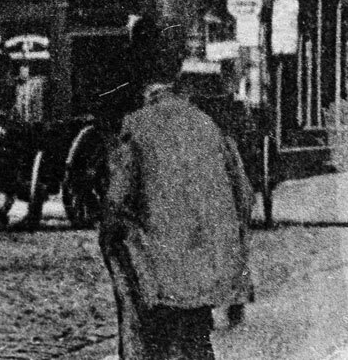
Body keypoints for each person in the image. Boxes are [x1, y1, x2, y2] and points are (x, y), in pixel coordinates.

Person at [102, 64, 253, 360]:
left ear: (148, 96)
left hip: (159, 267)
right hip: (206, 266)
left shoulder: (137, 126)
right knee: (196, 338)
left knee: (159, 339)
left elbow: (118, 198)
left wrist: (112, 235)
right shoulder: (208, 126)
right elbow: (243, 197)